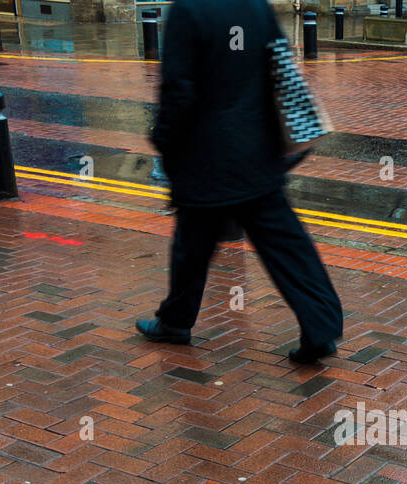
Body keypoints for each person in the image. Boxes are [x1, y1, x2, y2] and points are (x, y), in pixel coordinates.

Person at [140, 0, 344, 364]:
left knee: (191, 246)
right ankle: (321, 324)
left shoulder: (189, 10)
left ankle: (174, 322)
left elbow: (179, 90)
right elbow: (280, 69)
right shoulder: (256, 6)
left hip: (205, 156)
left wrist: (163, 141)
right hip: (257, 152)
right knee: (286, 245)